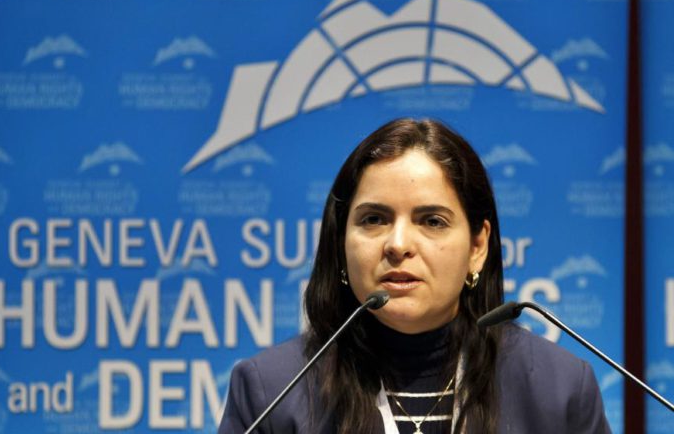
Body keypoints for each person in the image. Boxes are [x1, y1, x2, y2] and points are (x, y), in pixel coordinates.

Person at [219, 118, 611, 433]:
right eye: (374, 219)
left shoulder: (559, 389)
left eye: (432, 221)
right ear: (341, 243)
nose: (398, 244)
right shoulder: (270, 390)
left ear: (477, 247)